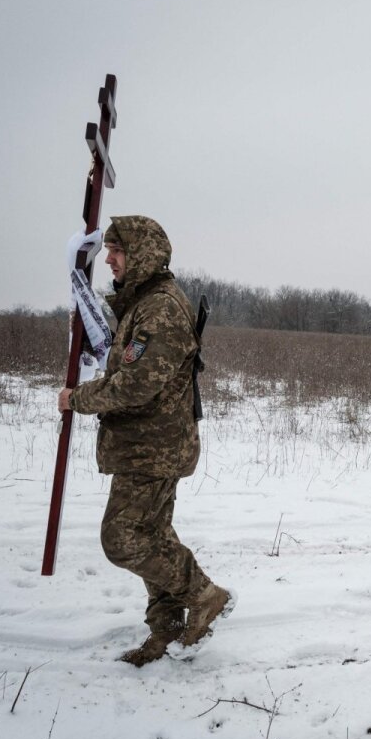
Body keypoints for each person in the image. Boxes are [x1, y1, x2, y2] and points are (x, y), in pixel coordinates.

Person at [57, 215, 232, 666]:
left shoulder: (161, 310)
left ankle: (204, 593)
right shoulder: (143, 303)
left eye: (118, 251)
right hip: (147, 444)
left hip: (154, 448)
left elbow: (135, 384)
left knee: (122, 539)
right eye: (108, 250)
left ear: (144, 255)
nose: (110, 260)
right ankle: (166, 631)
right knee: (152, 535)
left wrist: (78, 398)